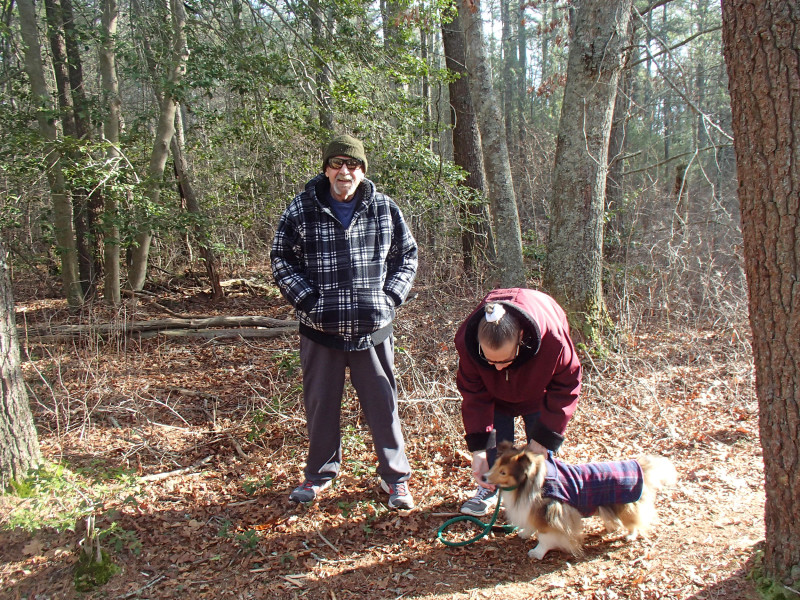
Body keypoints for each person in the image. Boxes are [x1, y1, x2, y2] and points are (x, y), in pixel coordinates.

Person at [270, 134, 418, 510]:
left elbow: (408, 257)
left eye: (352, 165)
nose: (344, 171)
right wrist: (310, 303)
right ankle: (318, 474)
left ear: (362, 171)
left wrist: (389, 299)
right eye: (337, 164)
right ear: (325, 168)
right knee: (321, 404)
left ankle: (396, 480)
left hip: (373, 330)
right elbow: (281, 260)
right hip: (321, 332)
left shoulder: (384, 208)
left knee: (383, 406)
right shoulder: (301, 209)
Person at [453, 287, 582, 516]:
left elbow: (566, 386)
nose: (499, 367)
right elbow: (474, 396)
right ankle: (490, 489)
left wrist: (542, 440)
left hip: (538, 393)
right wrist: (479, 452)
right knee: (495, 452)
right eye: (490, 360)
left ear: (521, 337)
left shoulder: (553, 339)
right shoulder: (467, 343)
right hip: (495, 397)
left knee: (539, 454)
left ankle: (544, 494)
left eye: (505, 360)